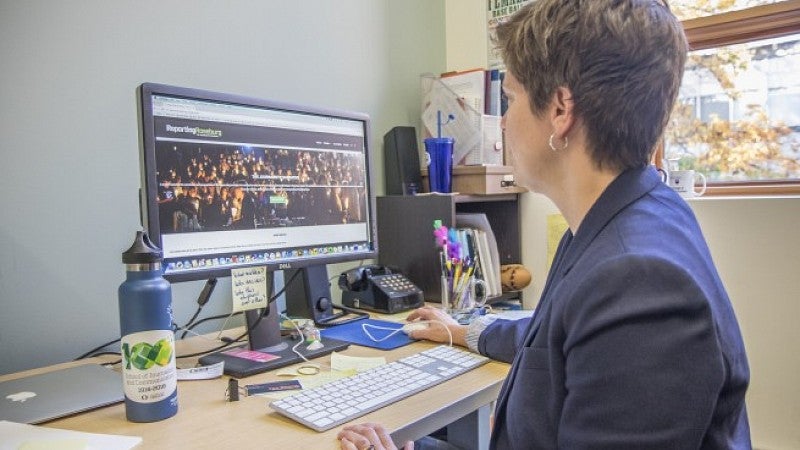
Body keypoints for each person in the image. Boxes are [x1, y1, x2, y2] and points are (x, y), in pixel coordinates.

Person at [338, 0, 751, 449]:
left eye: (510, 99)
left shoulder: (640, 281)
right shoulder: (631, 215)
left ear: (560, 110)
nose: (502, 126)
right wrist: (463, 332)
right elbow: (558, 340)